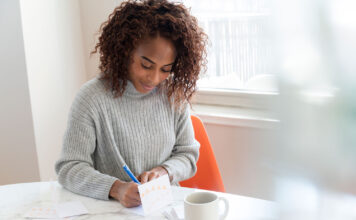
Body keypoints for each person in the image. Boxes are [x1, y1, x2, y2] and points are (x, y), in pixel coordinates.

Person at [55, 0, 207, 208]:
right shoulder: (92, 98)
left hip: (164, 209)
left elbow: (187, 155)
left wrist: (164, 172)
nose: (154, 78)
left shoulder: (173, 96)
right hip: (111, 210)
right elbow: (69, 168)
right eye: (146, 65)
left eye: (165, 69)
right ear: (125, 51)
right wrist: (116, 188)